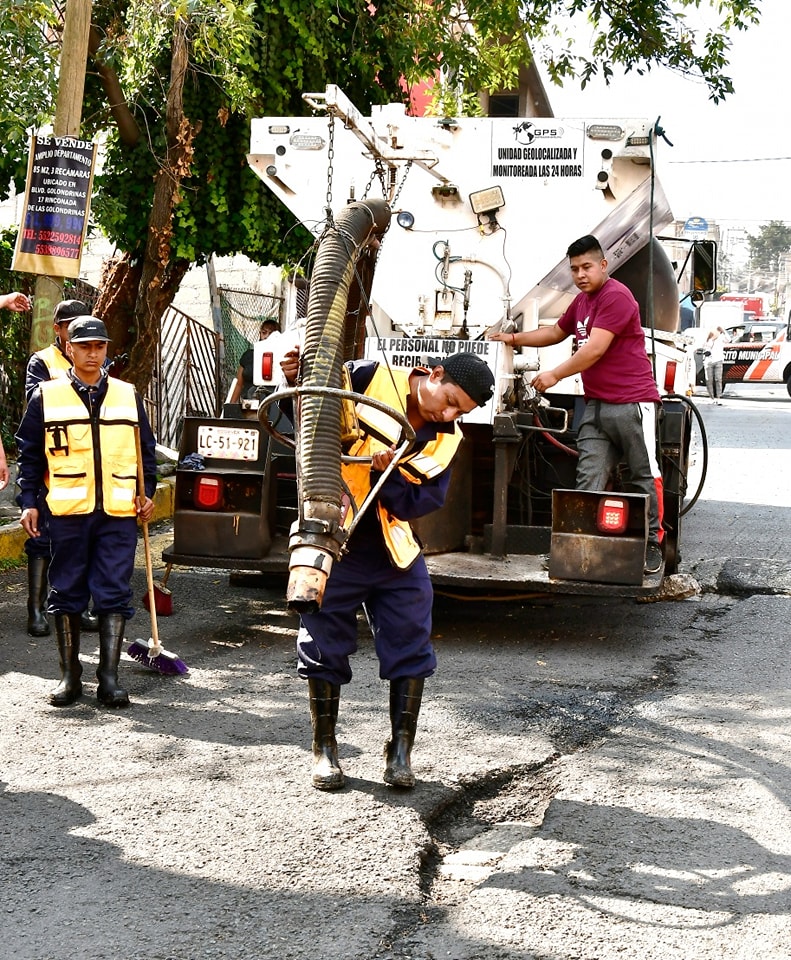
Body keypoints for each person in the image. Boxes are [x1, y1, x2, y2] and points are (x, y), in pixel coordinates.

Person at [283, 348, 494, 791]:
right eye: (451, 400)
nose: (451, 413)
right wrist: (295, 382)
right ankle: (325, 749)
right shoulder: (367, 377)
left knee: (411, 637)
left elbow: (418, 502)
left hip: (392, 547)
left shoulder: (446, 438)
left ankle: (399, 753)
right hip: (334, 537)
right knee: (323, 640)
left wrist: (391, 474)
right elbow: (312, 424)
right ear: (434, 374)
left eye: (462, 411)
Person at [489, 234, 664, 576]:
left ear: (603, 265)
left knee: (643, 475)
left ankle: (653, 544)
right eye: (574, 269)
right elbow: (556, 332)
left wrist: (554, 375)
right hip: (596, 406)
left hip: (632, 404)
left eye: (586, 267)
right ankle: (583, 549)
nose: (580, 274)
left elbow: (595, 348)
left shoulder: (617, 296)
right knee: (587, 480)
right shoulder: (581, 302)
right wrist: (512, 338)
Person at [16, 316, 157, 708]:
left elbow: (146, 452)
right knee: (67, 591)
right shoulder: (46, 395)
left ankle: (108, 678)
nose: (93, 353)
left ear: (107, 349)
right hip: (67, 511)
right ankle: (69, 676)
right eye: (85, 346)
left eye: (100, 346)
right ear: (70, 349)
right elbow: (29, 453)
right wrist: (28, 501)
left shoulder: (129, 395)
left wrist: (148, 494)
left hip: (118, 511)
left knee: (114, 590)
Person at [22, 299, 100, 637]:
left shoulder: (98, 360)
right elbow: (36, 404)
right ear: (57, 329)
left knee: (85, 539)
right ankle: (36, 610)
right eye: (70, 325)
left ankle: (77, 605)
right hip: (51, 462)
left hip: (88, 465)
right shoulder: (42, 361)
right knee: (41, 539)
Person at [228, 318, 280, 404]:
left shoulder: (281, 356)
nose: (266, 336)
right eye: (264, 332)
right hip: (247, 404)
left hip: (272, 405)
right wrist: (230, 407)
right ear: (260, 334)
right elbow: (238, 384)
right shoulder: (248, 356)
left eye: (270, 334)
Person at [703, 325, 730, 404]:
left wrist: (724, 331)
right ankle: (711, 397)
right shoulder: (708, 339)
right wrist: (708, 339)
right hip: (708, 361)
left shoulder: (721, 338)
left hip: (718, 360)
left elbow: (729, 339)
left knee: (718, 379)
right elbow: (703, 346)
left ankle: (718, 398)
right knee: (709, 380)